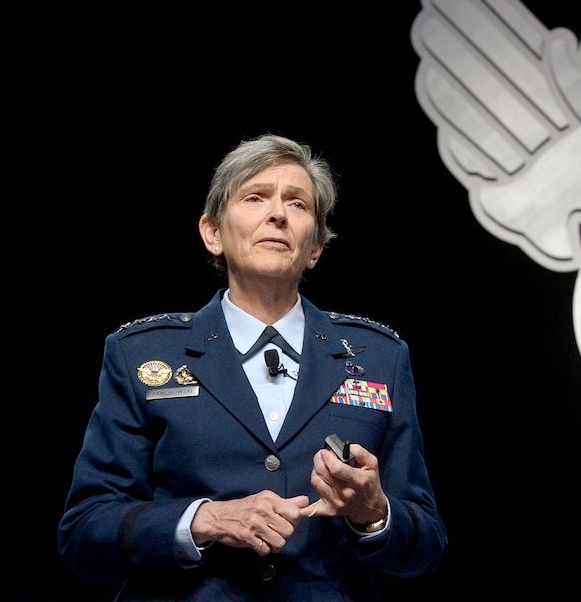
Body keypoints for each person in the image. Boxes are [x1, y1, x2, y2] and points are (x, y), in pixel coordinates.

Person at [59, 134, 447, 600]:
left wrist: (374, 514)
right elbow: (84, 532)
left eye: (298, 204)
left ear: (316, 247)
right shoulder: (140, 355)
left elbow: (426, 544)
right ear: (213, 233)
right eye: (255, 197)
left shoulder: (379, 357)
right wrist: (205, 519)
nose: (278, 213)